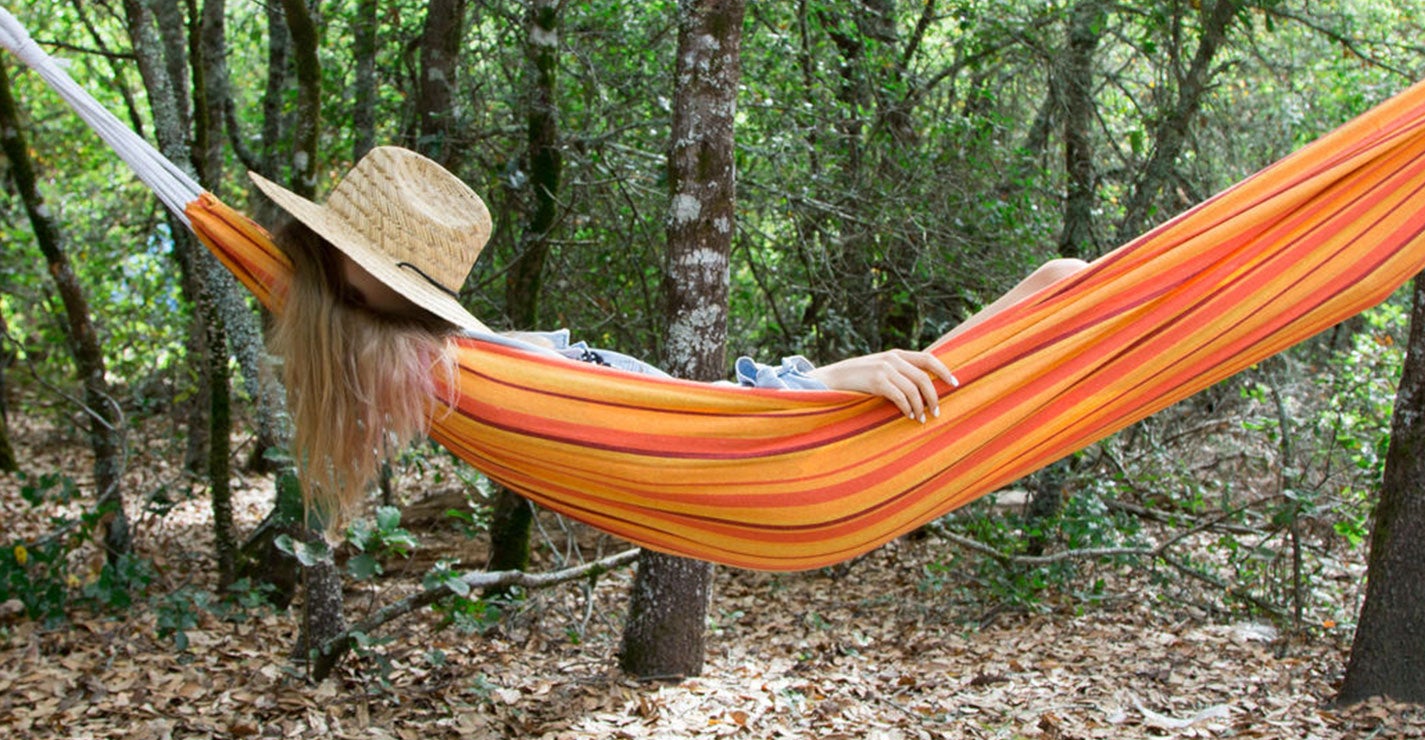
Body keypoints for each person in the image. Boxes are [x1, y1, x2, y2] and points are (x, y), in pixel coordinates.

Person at [252, 147, 1084, 527]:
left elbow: (689, 417)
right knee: (1007, 329)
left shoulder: (446, 362)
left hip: (724, 424)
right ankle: (1052, 302)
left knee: (1000, 333)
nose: (318, 266)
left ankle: (1069, 300)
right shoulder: (413, 360)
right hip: (723, 432)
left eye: (336, 252)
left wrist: (825, 382)